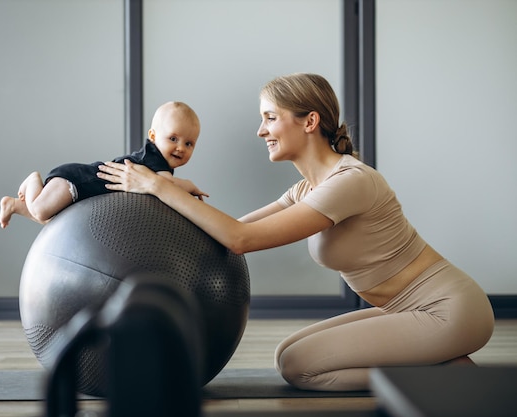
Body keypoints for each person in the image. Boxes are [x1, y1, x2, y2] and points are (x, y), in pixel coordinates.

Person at [96, 73, 495, 391]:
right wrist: (166, 191)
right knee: (287, 352)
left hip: (448, 310)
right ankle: (444, 366)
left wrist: (157, 185)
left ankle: (440, 378)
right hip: (408, 310)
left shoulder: (351, 181)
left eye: (270, 117)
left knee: (301, 368)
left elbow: (241, 240)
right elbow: (230, 228)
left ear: (309, 121)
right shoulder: (307, 188)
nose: (260, 130)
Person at [0, 101, 207, 229]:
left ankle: (15, 205)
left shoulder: (162, 166)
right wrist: (189, 185)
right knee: (42, 211)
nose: (180, 147)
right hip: (76, 182)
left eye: (189, 143)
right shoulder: (153, 156)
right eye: (173, 139)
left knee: (54, 223)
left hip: (85, 195)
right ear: (153, 136)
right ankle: (33, 179)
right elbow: (166, 186)